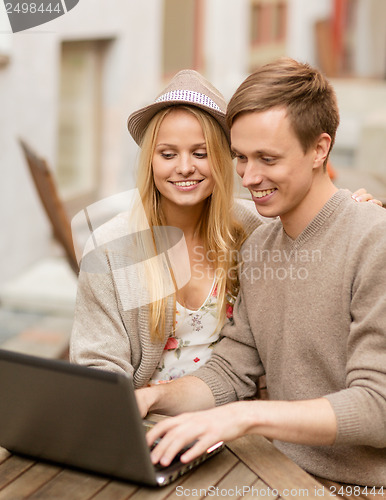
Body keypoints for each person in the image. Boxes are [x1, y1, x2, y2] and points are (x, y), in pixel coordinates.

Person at [137, 59, 386, 488]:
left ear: (320, 150)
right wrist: (153, 396)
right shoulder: (258, 248)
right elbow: (233, 370)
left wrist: (243, 417)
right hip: (270, 473)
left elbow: (377, 407)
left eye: (267, 159)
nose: (249, 178)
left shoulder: (372, 242)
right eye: (240, 157)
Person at [70, 70, 263, 386]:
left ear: (222, 157)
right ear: (150, 161)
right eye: (168, 154)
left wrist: (352, 208)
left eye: (200, 153)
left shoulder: (252, 232)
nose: (185, 167)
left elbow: (309, 227)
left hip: (231, 416)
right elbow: (97, 363)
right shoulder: (109, 247)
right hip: (145, 418)